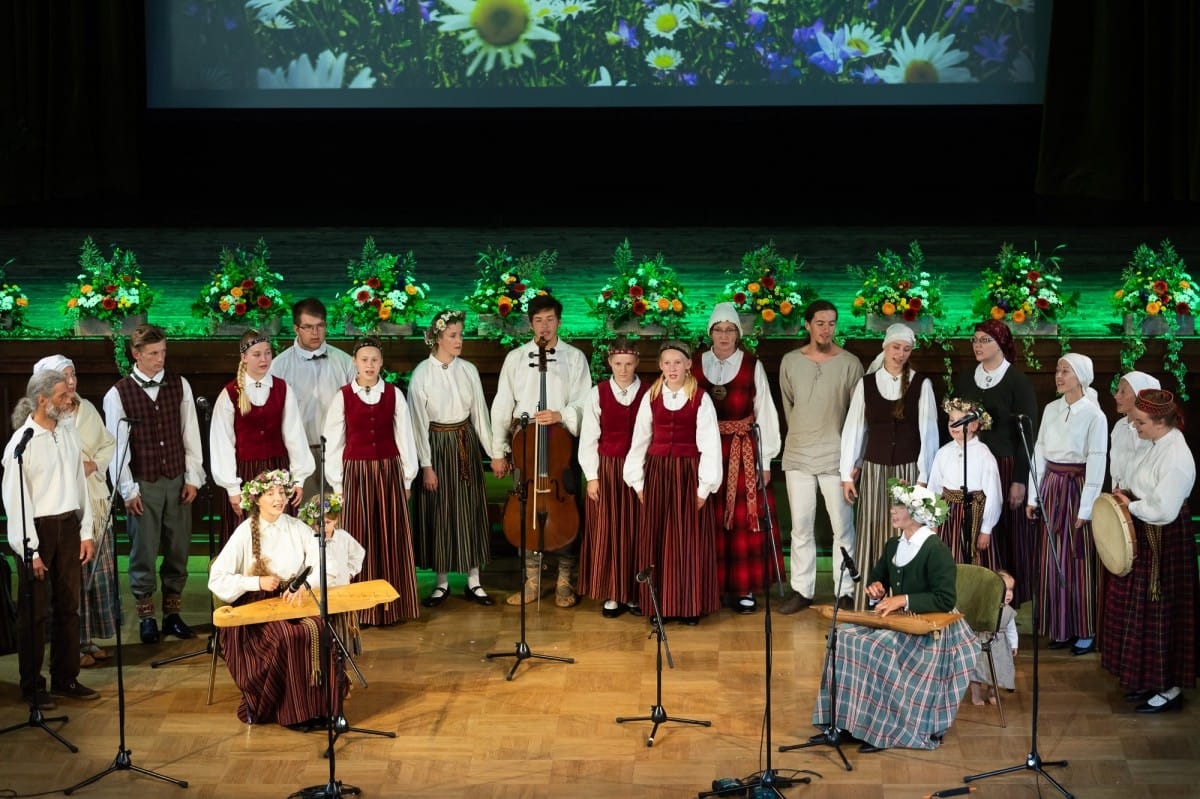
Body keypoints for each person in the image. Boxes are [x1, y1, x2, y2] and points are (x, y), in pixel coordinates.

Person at [812, 479, 975, 752]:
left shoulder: (935, 550)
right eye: (894, 504)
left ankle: (883, 729)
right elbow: (879, 580)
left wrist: (904, 599)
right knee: (842, 638)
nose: (893, 510)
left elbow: (946, 599)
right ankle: (842, 723)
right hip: (897, 622)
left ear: (918, 514)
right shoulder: (893, 546)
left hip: (932, 630)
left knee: (878, 648)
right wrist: (876, 590)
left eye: (900, 506)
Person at [208, 469, 337, 726]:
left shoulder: (296, 526)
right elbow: (217, 578)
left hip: (294, 598)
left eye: (281, 492)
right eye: (270, 494)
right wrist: (256, 581)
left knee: (319, 628)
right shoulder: (246, 532)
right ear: (257, 500)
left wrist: (303, 584)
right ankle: (292, 713)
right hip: (256, 606)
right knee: (286, 636)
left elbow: (322, 561)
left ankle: (322, 708)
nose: (278, 498)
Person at [103, 323, 206, 644]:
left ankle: (172, 614)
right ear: (136, 355)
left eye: (162, 352)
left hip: (176, 479)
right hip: (143, 484)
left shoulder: (180, 385)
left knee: (178, 549)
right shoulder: (118, 394)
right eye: (152, 354)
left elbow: (190, 433)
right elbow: (116, 448)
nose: (160, 359)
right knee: (143, 551)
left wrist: (193, 476)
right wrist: (127, 488)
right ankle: (147, 616)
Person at [3, 369, 99, 707]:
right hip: (38, 533)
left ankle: (65, 677)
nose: (69, 399)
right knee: (35, 613)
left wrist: (86, 531)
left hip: (67, 527)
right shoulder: (22, 443)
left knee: (68, 608)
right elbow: (17, 503)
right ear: (42, 400)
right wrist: (30, 550)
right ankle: (32, 685)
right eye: (61, 395)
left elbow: (78, 484)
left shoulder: (68, 432)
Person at [489, 294, 591, 608]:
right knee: (525, 512)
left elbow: (585, 402)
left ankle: (564, 581)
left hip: (561, 446)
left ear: (559, 322)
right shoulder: (517, 358)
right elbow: (502, 404)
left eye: (549, 320)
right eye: (538, 320)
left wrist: (561, 415)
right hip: (526, 446)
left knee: (567, 511)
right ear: (530, 324)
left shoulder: (574, 358)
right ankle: (531, 582)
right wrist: (498, 449)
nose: (544, 326)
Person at [1102, 389, 1197, 713]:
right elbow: (1140, 481)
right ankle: (1147, 679)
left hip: (1164, 541)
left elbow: (1163, 508)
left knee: (1162, 612)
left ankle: (1169, 688)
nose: (1135, 426)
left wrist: (1133, 503)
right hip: (1146, 531)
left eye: (1141, 422)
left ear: (1160, 422)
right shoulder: (1154, 442)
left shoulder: (1177, 456)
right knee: (1142, 611)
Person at [322, 336, 420, 626]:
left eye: (374, 360)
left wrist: (407, 477)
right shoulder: (343, 396)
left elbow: (405, 437)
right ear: (355, 362)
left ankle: (392, 607)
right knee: (358, 536)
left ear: (381, 363)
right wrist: (338, 483)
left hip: (389, 472)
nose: (369, 365)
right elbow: (334, 441)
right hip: (356, 474)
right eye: (364, 359)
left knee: (391, 535)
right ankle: (360, 609)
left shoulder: (393, 394)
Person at [623, 340, 723, 626]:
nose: (672, 368)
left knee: (687, 540)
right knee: (658, 540)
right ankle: (660, 606)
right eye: (666, 362)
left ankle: (690, 606)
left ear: (689, 364)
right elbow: (640, 439)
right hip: (657, 474)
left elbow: (710, 445)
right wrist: (638, 482)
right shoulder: (651, 396)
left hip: (687, 475)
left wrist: (704, 487)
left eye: (677, 362)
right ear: (660, 366)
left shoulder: (700, 398)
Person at [840, 323, 939, 609]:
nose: (900, 354)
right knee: (872, 529)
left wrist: (923, 477)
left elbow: (928, 433)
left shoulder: (922, 384)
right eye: (896, 347)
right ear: (885, 347)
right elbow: (855, 428)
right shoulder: (867, 384)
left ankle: (901, 601)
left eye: (906, 349)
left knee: (904, 532)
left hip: (908, 471)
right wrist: (847, 473)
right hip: (874, 470)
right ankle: (870, 600)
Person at [31, 355, 117, 669]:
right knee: (69, 582)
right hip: (62, 509)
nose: (71, 382)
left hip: (92, 500)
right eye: (64, 377)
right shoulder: (43, 422)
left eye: (74, 375)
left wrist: (94, 464)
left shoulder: (87, 410)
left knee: (93, 576)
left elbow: (108, 444)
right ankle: (69, 645)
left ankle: (87, 637)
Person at [778, 299, 863, 614]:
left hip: (835, 458)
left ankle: (846, 590)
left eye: (831, 323)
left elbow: (858, 416)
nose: (826, 329)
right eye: (820, 323)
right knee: (800, 526)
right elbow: (789, 405)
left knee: (842, 526)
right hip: (798, 454)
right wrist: (799, 435)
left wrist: (854, 461)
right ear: (807, 324)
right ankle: (802, 590)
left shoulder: (850, 364)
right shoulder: (790, 362)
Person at [407, 310, 496, 609]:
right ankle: (441, 582)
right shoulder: (422, 374)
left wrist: (494, 453)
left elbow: (480, 415)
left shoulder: (468, 370)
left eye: (461, 334)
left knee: (470, 507)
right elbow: (418, 424)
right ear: (437, 338)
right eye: (453, 336)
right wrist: (426, 466)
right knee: (440, 511)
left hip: (464, 442)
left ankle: (474, 580)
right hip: (437, 444)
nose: (459, 341)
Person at [1025, 353, 1108, 655]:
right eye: (1057, 370)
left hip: (1076, 489)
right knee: (1050, 560)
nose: (1059, 376)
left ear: (1081, 376)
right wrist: (1035, 495)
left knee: (1077, 559)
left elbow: (1098, 463)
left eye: (1066, 371)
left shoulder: (1095, 415)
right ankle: (1059, 627)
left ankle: (1085, 629)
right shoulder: (1051, 408)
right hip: (1051, 488)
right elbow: (1041, 450)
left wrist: (1086, 509)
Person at [953, 320, 1040, 605]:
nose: (977, 345)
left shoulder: (1018, 381)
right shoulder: (966, 378)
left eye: (984, 340)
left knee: (1002, 531)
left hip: (1003, 466)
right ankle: (974, 593)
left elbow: (1027, 435)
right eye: (975, 340)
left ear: (1000, 343)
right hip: (971, 464)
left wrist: (1019, 479)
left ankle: (1005, 597)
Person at [211, 329, 314, 547]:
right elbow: (223, 444)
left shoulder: (282, 389)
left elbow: (294, 434)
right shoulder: (231, 393)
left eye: (267, 353)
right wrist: (232, 489)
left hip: (278, 471)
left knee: (281, 538)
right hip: (245, 475)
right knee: (248, 538)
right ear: (244, 357)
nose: (264, 359)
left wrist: (298, 479)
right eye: (257, 354)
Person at [578, 337, 649, 619]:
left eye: (629, 364)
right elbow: (589, 438)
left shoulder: (648, 392)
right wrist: (592, 477)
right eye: (618, 363)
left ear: (636, 364)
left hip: (640, 469)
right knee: (609, 530)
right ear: (609, 363)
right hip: (607, 469)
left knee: (637, 530)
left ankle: (635, 592)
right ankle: (612, 592)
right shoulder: (598, 393)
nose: (623, 369)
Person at [270, 297, 357, 499]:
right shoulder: (279, 367)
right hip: (299, 454)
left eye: (320, 326)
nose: (315, 333)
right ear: (296, 328)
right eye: (308, 327)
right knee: (303, 519)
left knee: (337, 517)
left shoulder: (344, 362)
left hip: (338, 453)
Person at [926, 397, 1003, 567]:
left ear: (974, 425)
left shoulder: (984, 455)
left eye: (959, 421)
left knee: (974, 560)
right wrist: (933, 522)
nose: (953, 425)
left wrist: (986, 529)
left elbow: (994, 495)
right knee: (949, 558)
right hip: (949, 515)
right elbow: (934, 489)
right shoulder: (943, 452)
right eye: (951, 420)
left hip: (974, 513)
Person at [298, 493, 366, 656]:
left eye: (327, 522)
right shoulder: (311, 540)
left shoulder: (343, 538)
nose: (322, 526)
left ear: (335, 520)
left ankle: (344, 652)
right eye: (318, 523)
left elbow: (358, 553)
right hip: (319, 592)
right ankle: (325, 654)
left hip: (341, 589)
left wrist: (350, 571)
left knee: (341, 621)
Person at [969, 569, 1019, 705]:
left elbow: (1011, 629)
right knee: (978, 669)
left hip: (1000, 645)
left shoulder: (1009, 612)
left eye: (1011, 590)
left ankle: (991, 692)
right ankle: (976, 694)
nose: (1009, 594)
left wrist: (1014, 644)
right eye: (1005, 590)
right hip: (982, 641)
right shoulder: (985, 606)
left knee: (996, 670)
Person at [1109, 371, 1161, 493]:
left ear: (1140, 396)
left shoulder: (1153, 430)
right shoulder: (1119, 426)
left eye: (1123, 392)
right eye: (1118, 391)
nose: (1116, 396)